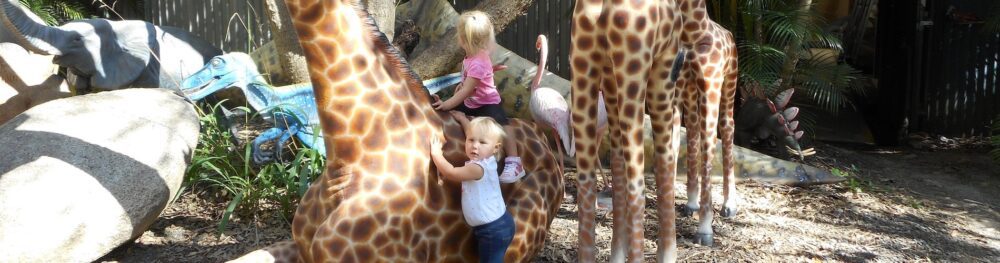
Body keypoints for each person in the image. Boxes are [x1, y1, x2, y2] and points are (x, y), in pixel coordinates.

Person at [432, 10, 525, 183]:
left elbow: (467, 90)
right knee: (448, 117)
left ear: (463, 38)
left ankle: (514, 161)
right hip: (472, 101)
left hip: (487, 103)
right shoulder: (472, 56)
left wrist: (447, 104)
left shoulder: (477, 62)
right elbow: (468, 84)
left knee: (502, 125)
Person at [429, 116, 515, 263]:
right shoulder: (487, 160)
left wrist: (437, 155)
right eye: (471, 140)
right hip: (495, 226)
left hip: (493, 230)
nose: (475, 146)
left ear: (496, 148)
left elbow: (451, 172)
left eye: (482, 142)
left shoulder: (477, 168)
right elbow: (473, 132)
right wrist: (463, 120)